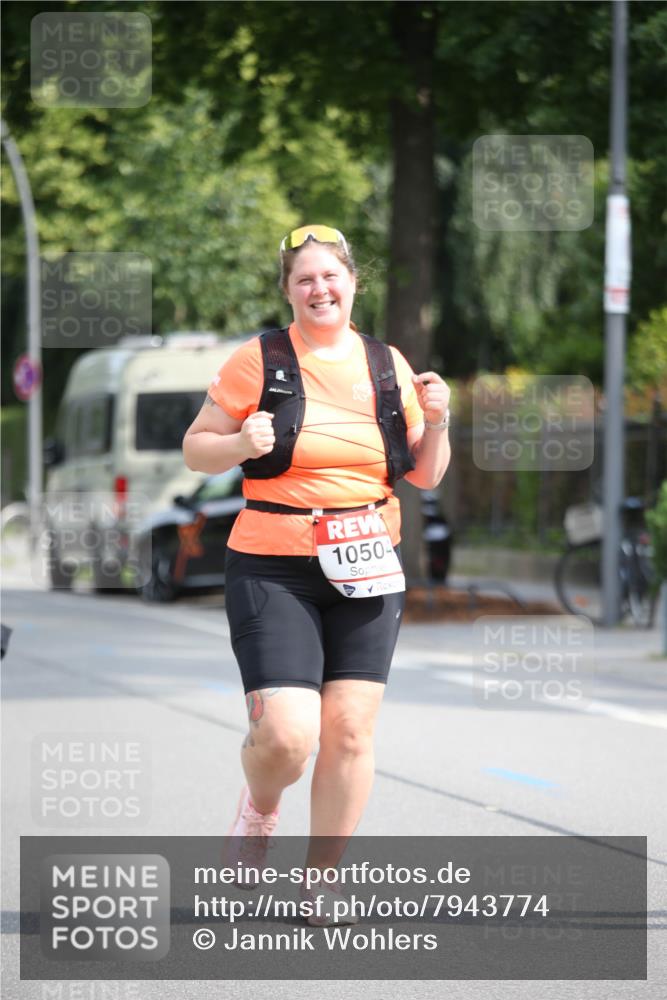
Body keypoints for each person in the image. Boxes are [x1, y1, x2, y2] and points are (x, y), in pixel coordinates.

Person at [183, 225, 450, 923]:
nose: (318, 289)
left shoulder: (385, 363)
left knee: (352, 731)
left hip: (366, 564)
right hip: (273, 564)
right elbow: (195, 449)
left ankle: (321, 878)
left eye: (329, 276)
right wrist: (240, 441)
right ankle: (259, 808)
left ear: (353, 284)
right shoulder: (259, 360)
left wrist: (443, 421)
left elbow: (422, 471)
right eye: (303, 279)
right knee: (286, 736)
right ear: (287, 291)